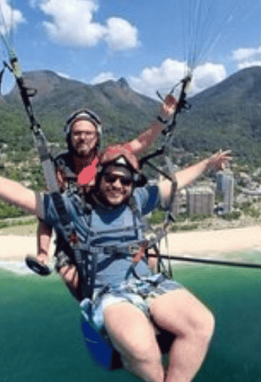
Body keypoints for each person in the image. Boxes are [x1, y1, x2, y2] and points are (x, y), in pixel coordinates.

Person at [0, 141, 231, 382]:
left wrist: (207, 163)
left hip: (149, 282)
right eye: (111, 178)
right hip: (110, 293)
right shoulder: (71, 208)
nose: (118, 186)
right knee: (144, 350)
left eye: (125, 181)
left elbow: (176, 182)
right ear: (99, 177)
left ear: (133, 184)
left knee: (202, 323)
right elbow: (21, 195)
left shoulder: (139, 201)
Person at [30, 97, 178, 298]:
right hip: (74, 239)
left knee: (150, 258)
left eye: (88, 133)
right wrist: (42, 253)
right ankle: (96, 307)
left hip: (112, 229)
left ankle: (154, 300)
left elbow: (141, 143)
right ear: (70, 137)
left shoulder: (108, 159)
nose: (82, 138)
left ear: (97, 137)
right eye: (77, 133)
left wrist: (162, 118)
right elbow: (46, 216)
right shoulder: (59, 170)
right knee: (70, 275)